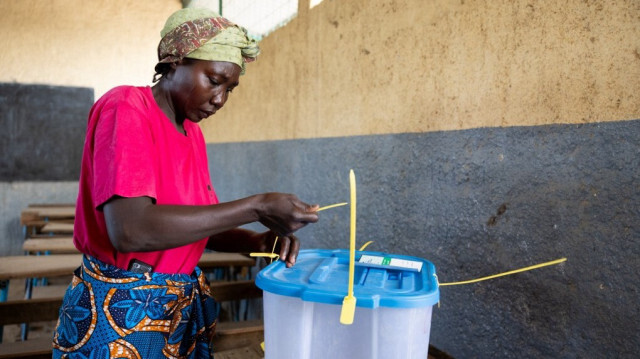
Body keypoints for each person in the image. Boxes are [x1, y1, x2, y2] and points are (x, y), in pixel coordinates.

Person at [52, 7, 319, 359]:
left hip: (175, 309)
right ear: (173, 62)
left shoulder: (191, 134)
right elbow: (132, 230)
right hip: (119, 309)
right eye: (214, 80)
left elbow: (194, 223)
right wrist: (256, 206)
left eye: (230, 89)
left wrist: (255, 241)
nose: (220, 99)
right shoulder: (126, 108)